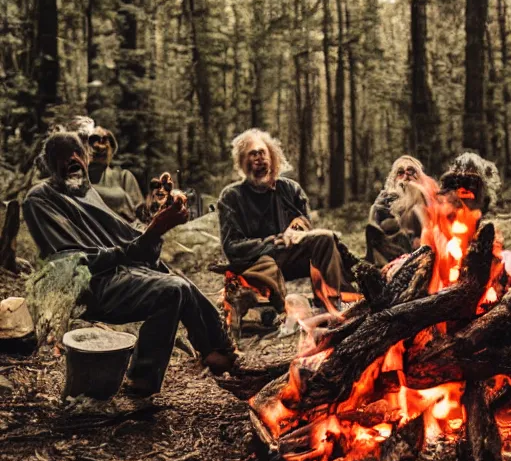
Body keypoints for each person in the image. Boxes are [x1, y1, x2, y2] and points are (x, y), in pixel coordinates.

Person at [22, 130, 236, 397]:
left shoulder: (88, 194)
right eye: (62, 155)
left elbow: (138, 248)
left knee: (174, 281)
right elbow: (75, 265)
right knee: (172, 288)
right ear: (51, 164)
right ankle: (148, 378)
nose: (73, 159)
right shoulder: (40, 198)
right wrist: (153, 232)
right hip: (86, 288)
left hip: (116, 275)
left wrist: (160, 217)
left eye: (77, 152)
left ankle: (217, 350)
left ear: (86, 159)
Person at [217, 129, 357, 312]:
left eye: (262, 153)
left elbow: (304, 223)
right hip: (258, 264)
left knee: (324, 239)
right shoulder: (231, 196)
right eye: (253, 154)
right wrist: (274, 242)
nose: (259, 159)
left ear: (272, 156)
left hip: (290, 257)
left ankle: (338, 304)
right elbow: (232, 247)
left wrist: (296, 231)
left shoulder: (290, 189)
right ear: (243, 161)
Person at [67, 116, 144, 223]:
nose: (100, 146)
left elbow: (141, 212)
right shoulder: (71, 177)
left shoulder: (123, 177)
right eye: (93, 140)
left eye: (104, 141)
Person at [365, 156, 432, 265]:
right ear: (394, 177)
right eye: (400, 173)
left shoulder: (426, 198)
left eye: (411, 172)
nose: (406, 176)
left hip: (420, 255)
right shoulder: (386, 198)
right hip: (390, 256)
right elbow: (374, 230)